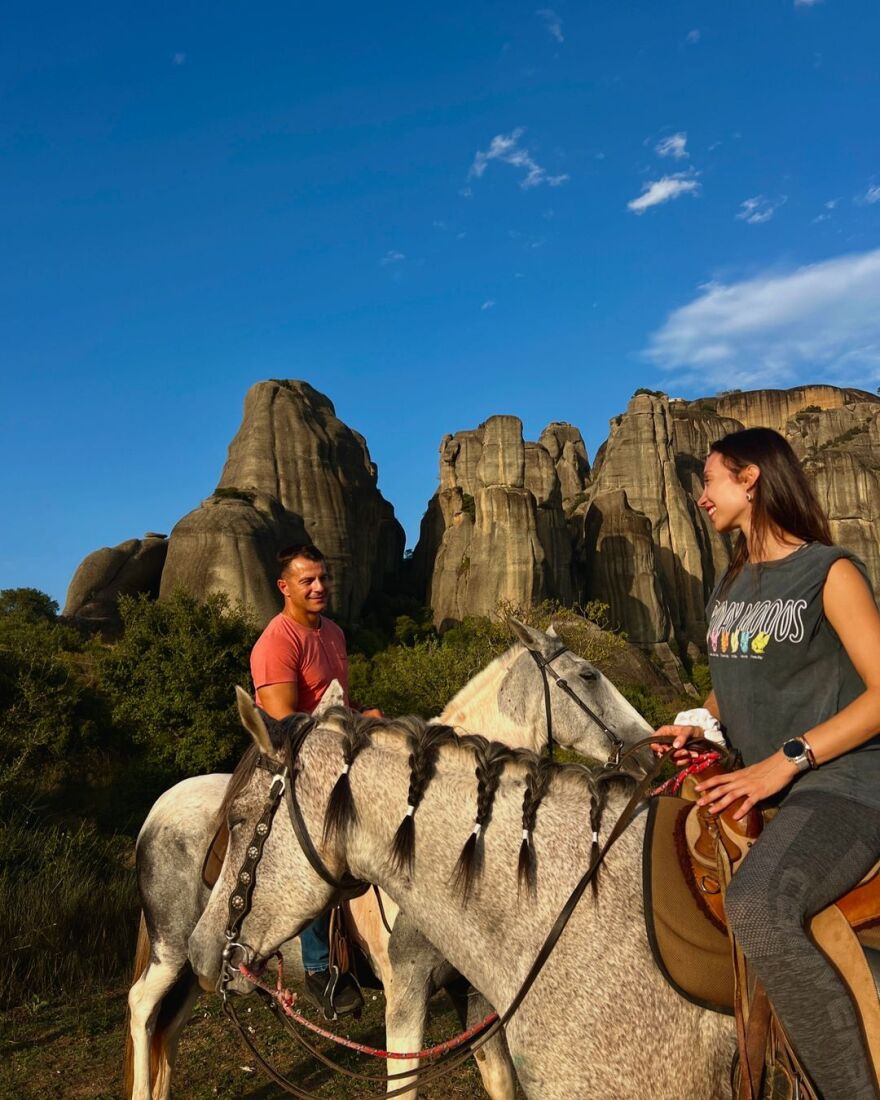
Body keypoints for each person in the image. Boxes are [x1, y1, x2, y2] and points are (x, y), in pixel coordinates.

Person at [653, 427, 880, 1100]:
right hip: (757, 782)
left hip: (844, 785)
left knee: (757, 906)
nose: (702, 498)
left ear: (750, 480)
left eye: (711, 481)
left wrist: (788, 759)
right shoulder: (733, 583)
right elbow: (741, 674)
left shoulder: (829, 570)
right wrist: (703, 727)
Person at [250, 542, 374, 1019]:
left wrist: (366, 717)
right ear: (285, 587)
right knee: (320, 844)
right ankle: (321, 968)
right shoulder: (277, 642)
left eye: (323, 577)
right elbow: (283, 723)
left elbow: (337, 701)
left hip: (334, 750)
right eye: (308, 581)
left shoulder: (334, 633)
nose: (319, 587)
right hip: (292, 761)